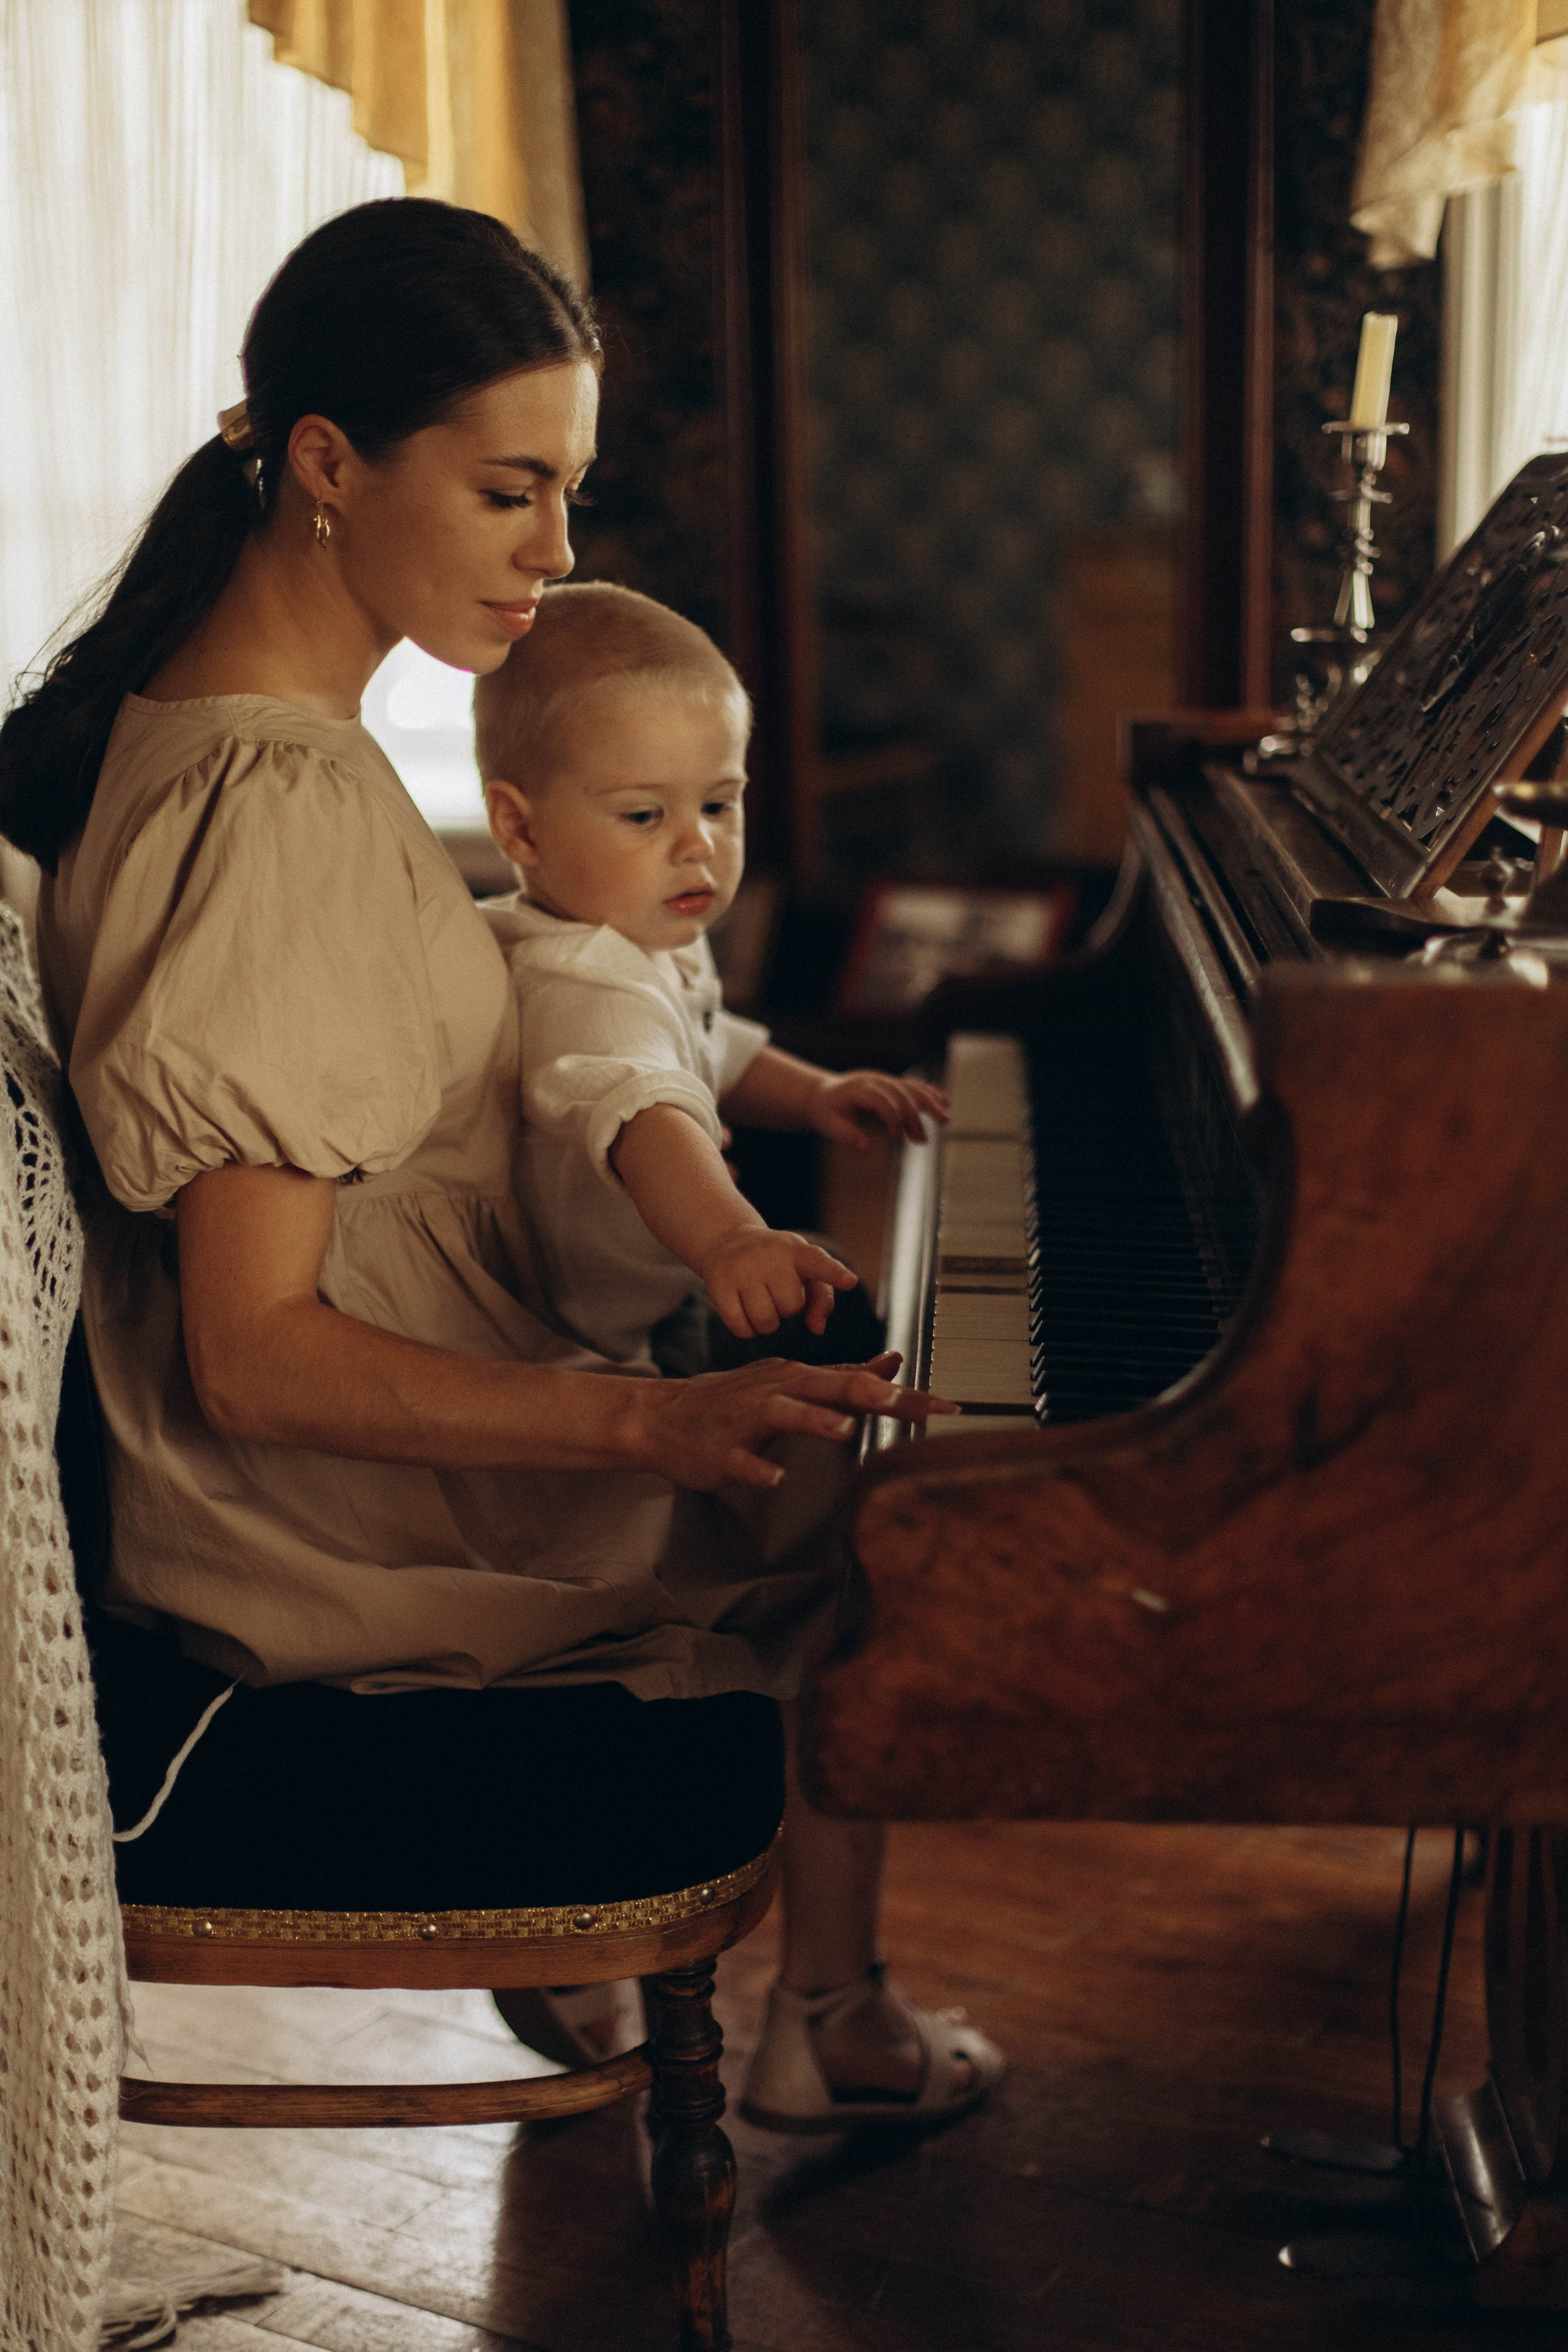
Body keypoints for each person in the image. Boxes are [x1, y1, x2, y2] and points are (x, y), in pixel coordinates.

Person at [0, 199, 1000, 2132]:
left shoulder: (253, 735)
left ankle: (644, 1984)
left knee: (855, 1463)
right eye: (507, 492)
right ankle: (823, 2013)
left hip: (358, 1464)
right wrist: (638, 1430)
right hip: (327, 1531)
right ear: (324, 465)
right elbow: (256, 1356)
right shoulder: (274, 798)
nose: (557, 556)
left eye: (574, 491)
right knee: (895, 1537)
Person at [472, 579, 949, 1367]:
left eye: (719, 805)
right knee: (846, 1316)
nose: (697, 846)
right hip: (608, 1334)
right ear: (519, 827)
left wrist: (815, 1093)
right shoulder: (581, 985)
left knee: (845, 1292)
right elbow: (646, 1111)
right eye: (643, 815)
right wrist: (731, 1239)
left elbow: (706, 1040)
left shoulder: (647, 934)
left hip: (665, 1279)